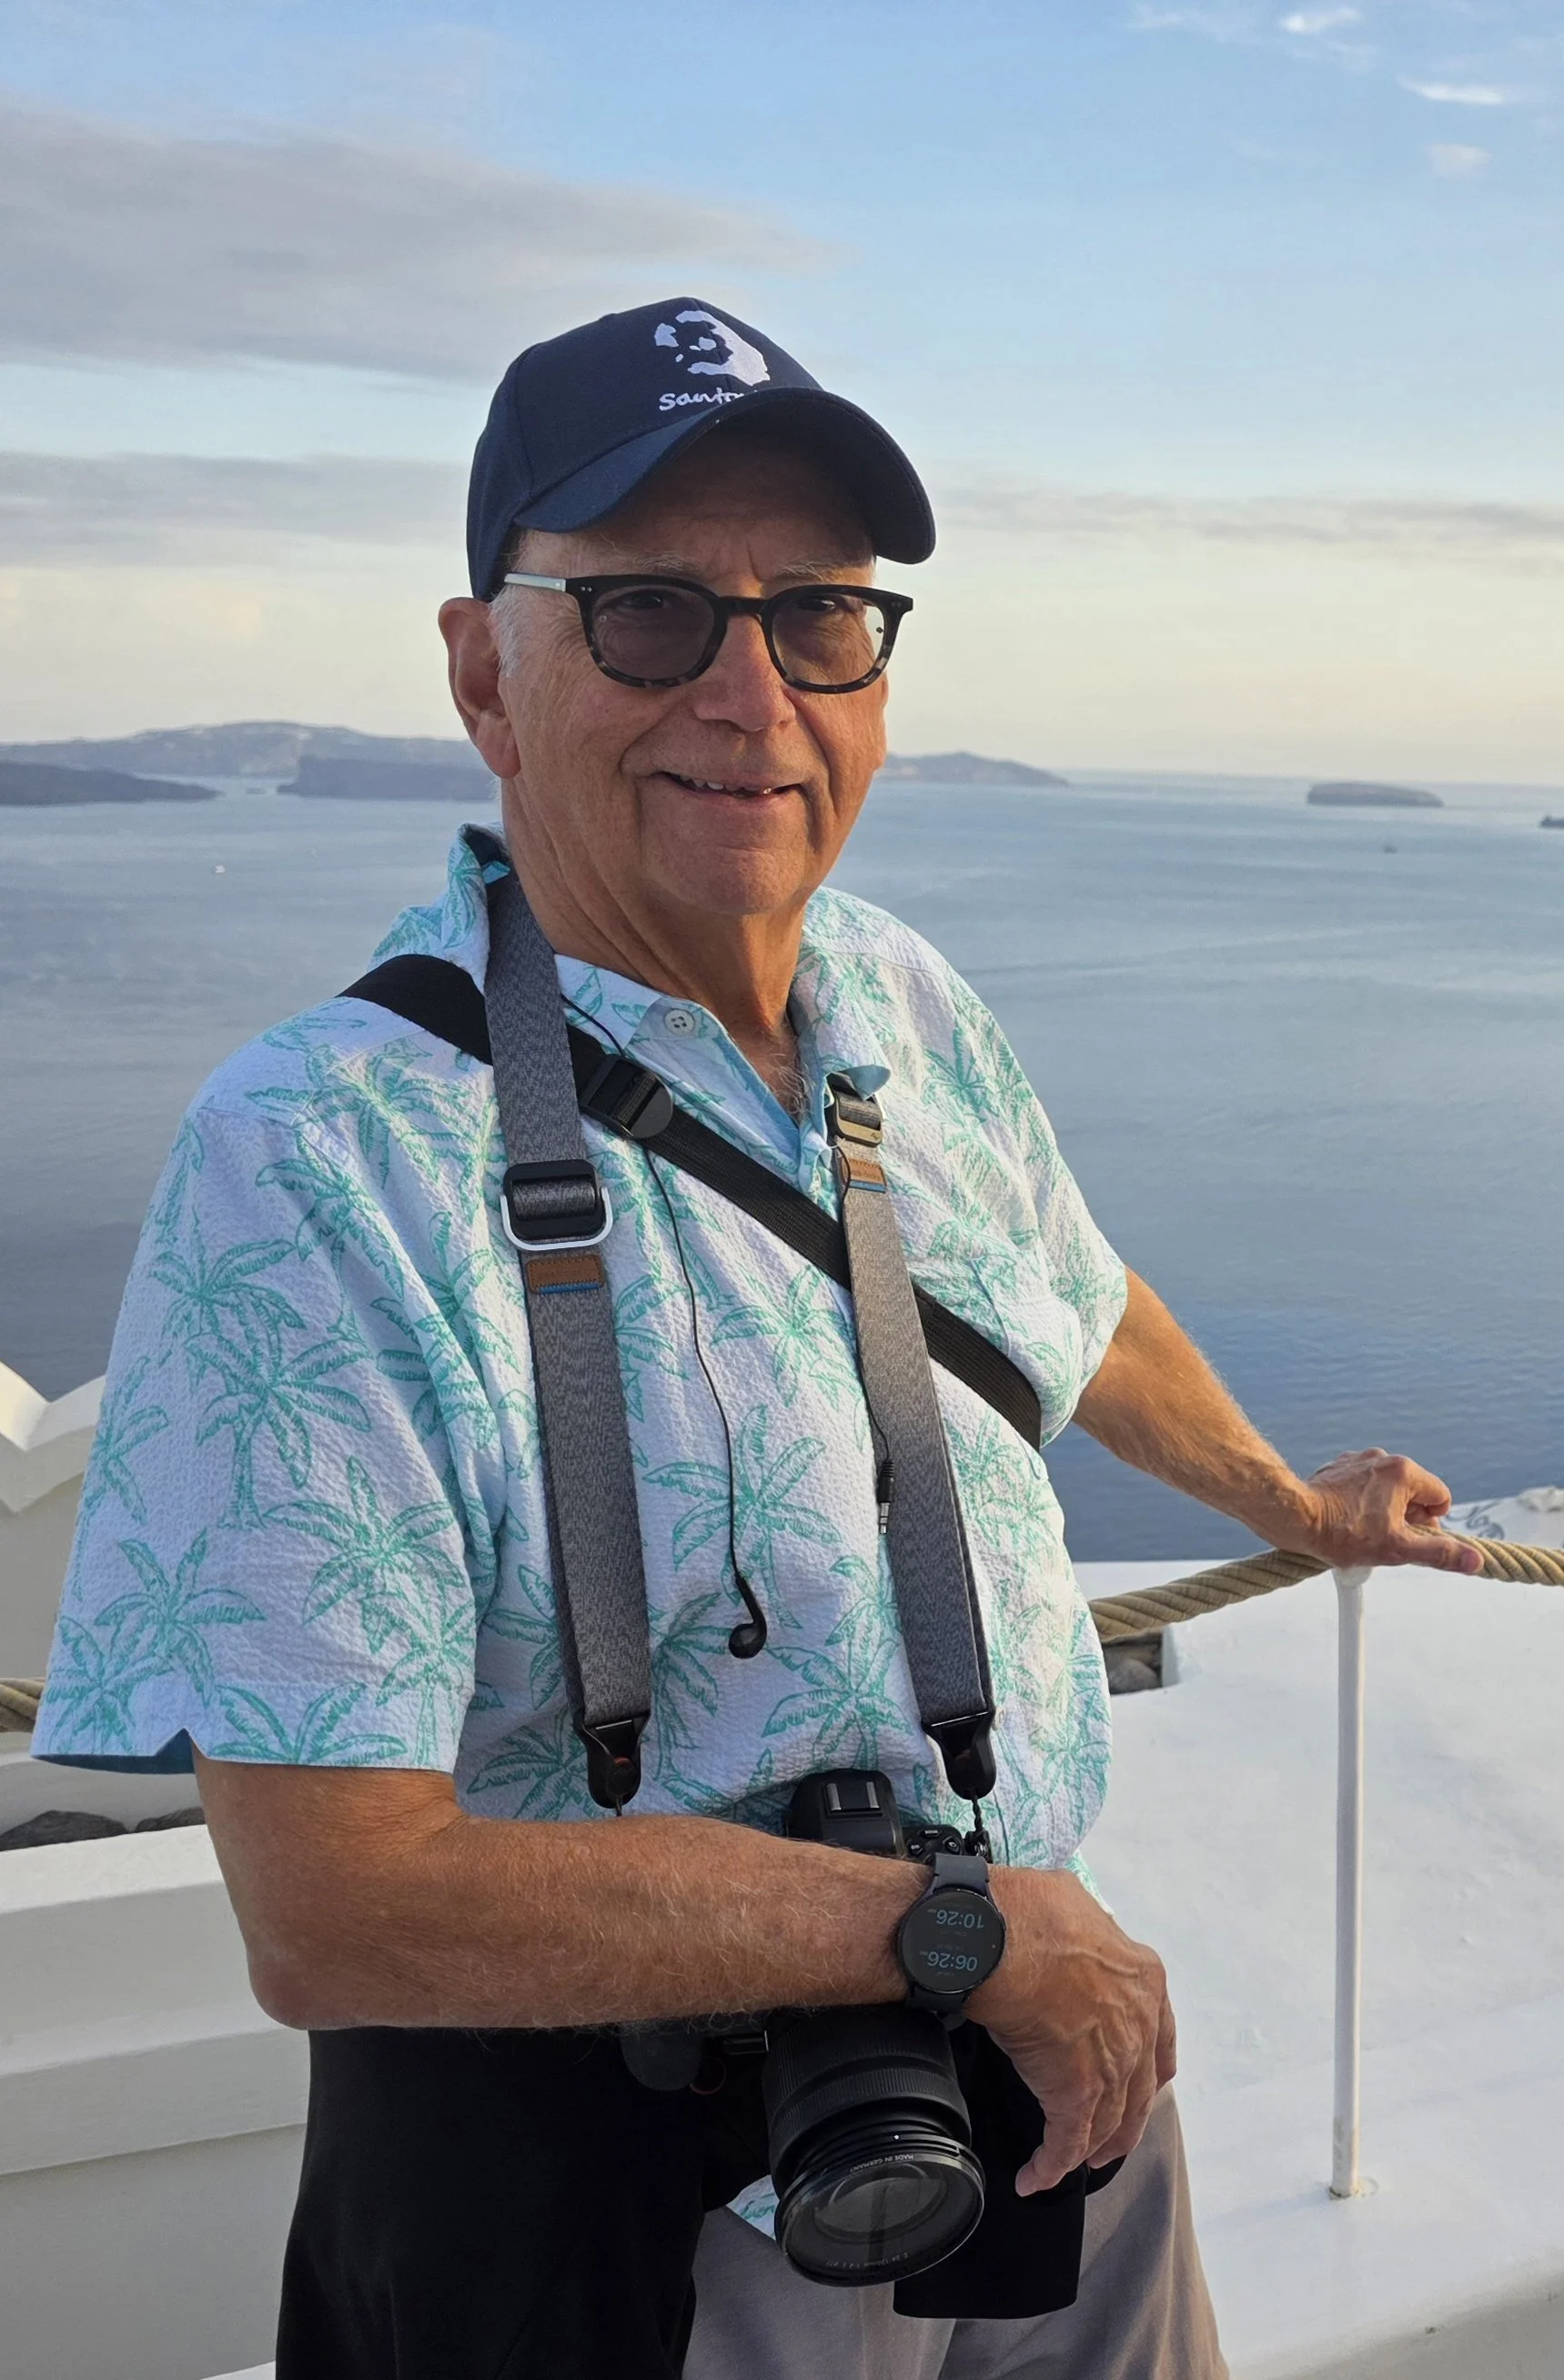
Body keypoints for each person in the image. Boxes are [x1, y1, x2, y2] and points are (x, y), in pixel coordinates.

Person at [35, 298, 1479, 2380]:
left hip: (1040, 2097)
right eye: (647, 618)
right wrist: (941, 1932)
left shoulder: (890, 992)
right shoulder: (319, 1161)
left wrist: (1281, 1496)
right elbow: (332, 1906)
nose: (752, 692)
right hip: (664, 2218)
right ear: (483, 675)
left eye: (820, 616)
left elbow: (1065, 1289)